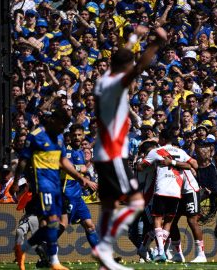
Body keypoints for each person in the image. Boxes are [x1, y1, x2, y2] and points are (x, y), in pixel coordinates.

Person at [92, 26, 167, 270]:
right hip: (115, 153)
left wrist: (134, 37)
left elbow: (122, 58)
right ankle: (102, 248)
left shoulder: (103, 80)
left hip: (101, 152)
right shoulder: (116, 83)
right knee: (135, 202)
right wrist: (156, 44)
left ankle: (105, 262)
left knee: (109, 206)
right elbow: (139, 67)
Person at [14, 109, 89, 270]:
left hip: (56, 186)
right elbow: (22, 161)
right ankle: (54, 262)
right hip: (43, 185)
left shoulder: (60, 137)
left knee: (58, 223)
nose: (63, 130)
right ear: (53, 120)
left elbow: (63, 161)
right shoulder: (35, 135)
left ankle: (23, 248)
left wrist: (79, 177)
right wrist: (15, 181)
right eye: (61, 126)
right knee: (52, 222)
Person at [137, 129, 198, 262]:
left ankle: (159, 252)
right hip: (176, 192)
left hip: (161, 189)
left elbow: (141, 167)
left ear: (163, 139)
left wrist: (141, 162)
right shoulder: (181, 152)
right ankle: (153, 250)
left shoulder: (156, 152)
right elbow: (194, 164)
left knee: (157, 221)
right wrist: (175, 163)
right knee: (168, 222)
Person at [60, 124, 99, 250]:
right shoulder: (67, 150)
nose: (77, 137)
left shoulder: (80, 152)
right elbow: (62, 166)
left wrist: (86, 178)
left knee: (90, 225)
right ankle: (45, 247)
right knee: (62, 225)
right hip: (67, 194)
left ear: (83, 136)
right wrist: (80, 169)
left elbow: (80, 172)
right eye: (74, 135)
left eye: (79, 135)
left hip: (77, 196)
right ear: (70, 136)